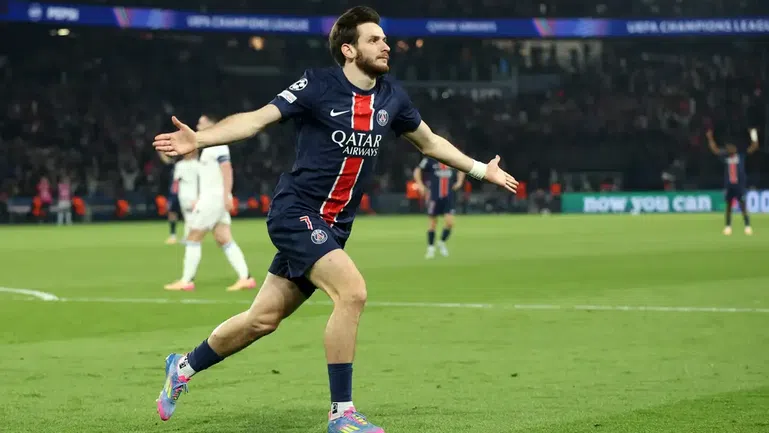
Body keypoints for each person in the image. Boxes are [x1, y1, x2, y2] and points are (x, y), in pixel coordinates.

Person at [152, 6, 518, 433]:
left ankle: (183, 366)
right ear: (348, 49)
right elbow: (256, 120)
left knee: (262, 319)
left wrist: (481, 170)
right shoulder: (317, 85)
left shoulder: (392, 98)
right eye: (374, 39)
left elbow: (430, 142)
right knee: (353, 292)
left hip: (333, 227)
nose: (385, 46)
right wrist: (201, 139)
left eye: (385, 39)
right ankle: (341, 414)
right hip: (297, 212)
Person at [162, 114, 257, 292]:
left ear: (212, 124)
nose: (198, 125)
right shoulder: (209, 147)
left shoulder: (219, 145)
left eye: (202, 122)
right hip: (212, 198)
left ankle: (186, 281)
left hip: (213, 199)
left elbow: (227, 170)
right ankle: (246, 278)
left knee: (193, 237)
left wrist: (227, 195)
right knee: (223, 238)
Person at [707, 128, 759, 235]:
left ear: (735, 148)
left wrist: (754, 135)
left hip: (739, 186)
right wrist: (710, 138)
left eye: (730, 147)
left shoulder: (741, 156)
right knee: (729, 206)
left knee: (743, 206)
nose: (729, 149)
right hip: (729, 186)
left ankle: (747, 226)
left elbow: (754, 146)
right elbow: (715, 150)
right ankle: (728, 226)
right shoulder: (725, 157)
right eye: (727, 147)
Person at [413, 156, 465, 258]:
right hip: (434, 196)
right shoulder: (430, 159)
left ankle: (441, 242)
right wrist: (420, 185)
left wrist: (459, 182)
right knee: (432, 223)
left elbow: (462, 168)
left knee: (450, 223)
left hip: (448, 196)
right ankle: (430, 248)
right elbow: (417, 170)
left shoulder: (451, 157)